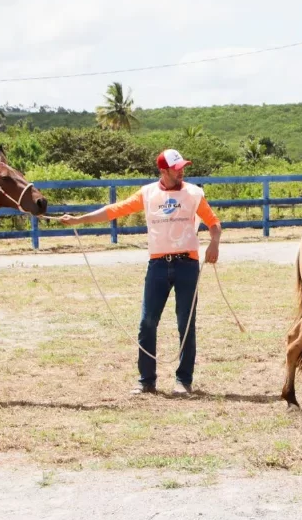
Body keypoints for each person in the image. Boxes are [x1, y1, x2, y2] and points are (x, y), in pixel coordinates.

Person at [60, 148, 221, 395]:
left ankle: (183, 379)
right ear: (163, 171)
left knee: (185, 324)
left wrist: (214, 242)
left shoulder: (193, 194)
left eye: (183, 168)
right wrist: (79, 220)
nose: (182, 172)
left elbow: (214, 222)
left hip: (187, 264)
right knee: (147, 322)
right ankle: (146, 380)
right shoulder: (147, 194)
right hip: (157, 265)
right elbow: (114, 210)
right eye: (177, 169)